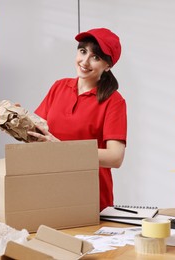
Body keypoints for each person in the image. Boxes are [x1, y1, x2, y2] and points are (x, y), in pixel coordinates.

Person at [27, 28, 127, 211]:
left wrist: (63, 149)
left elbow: (115, 157)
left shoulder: (114, 101)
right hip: (50, 190)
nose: (85, 61)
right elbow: (36, 133)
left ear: (108, 65)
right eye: (83, 51)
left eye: (95, 57)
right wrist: (16, 119)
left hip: (90, 197)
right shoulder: (59, 87)